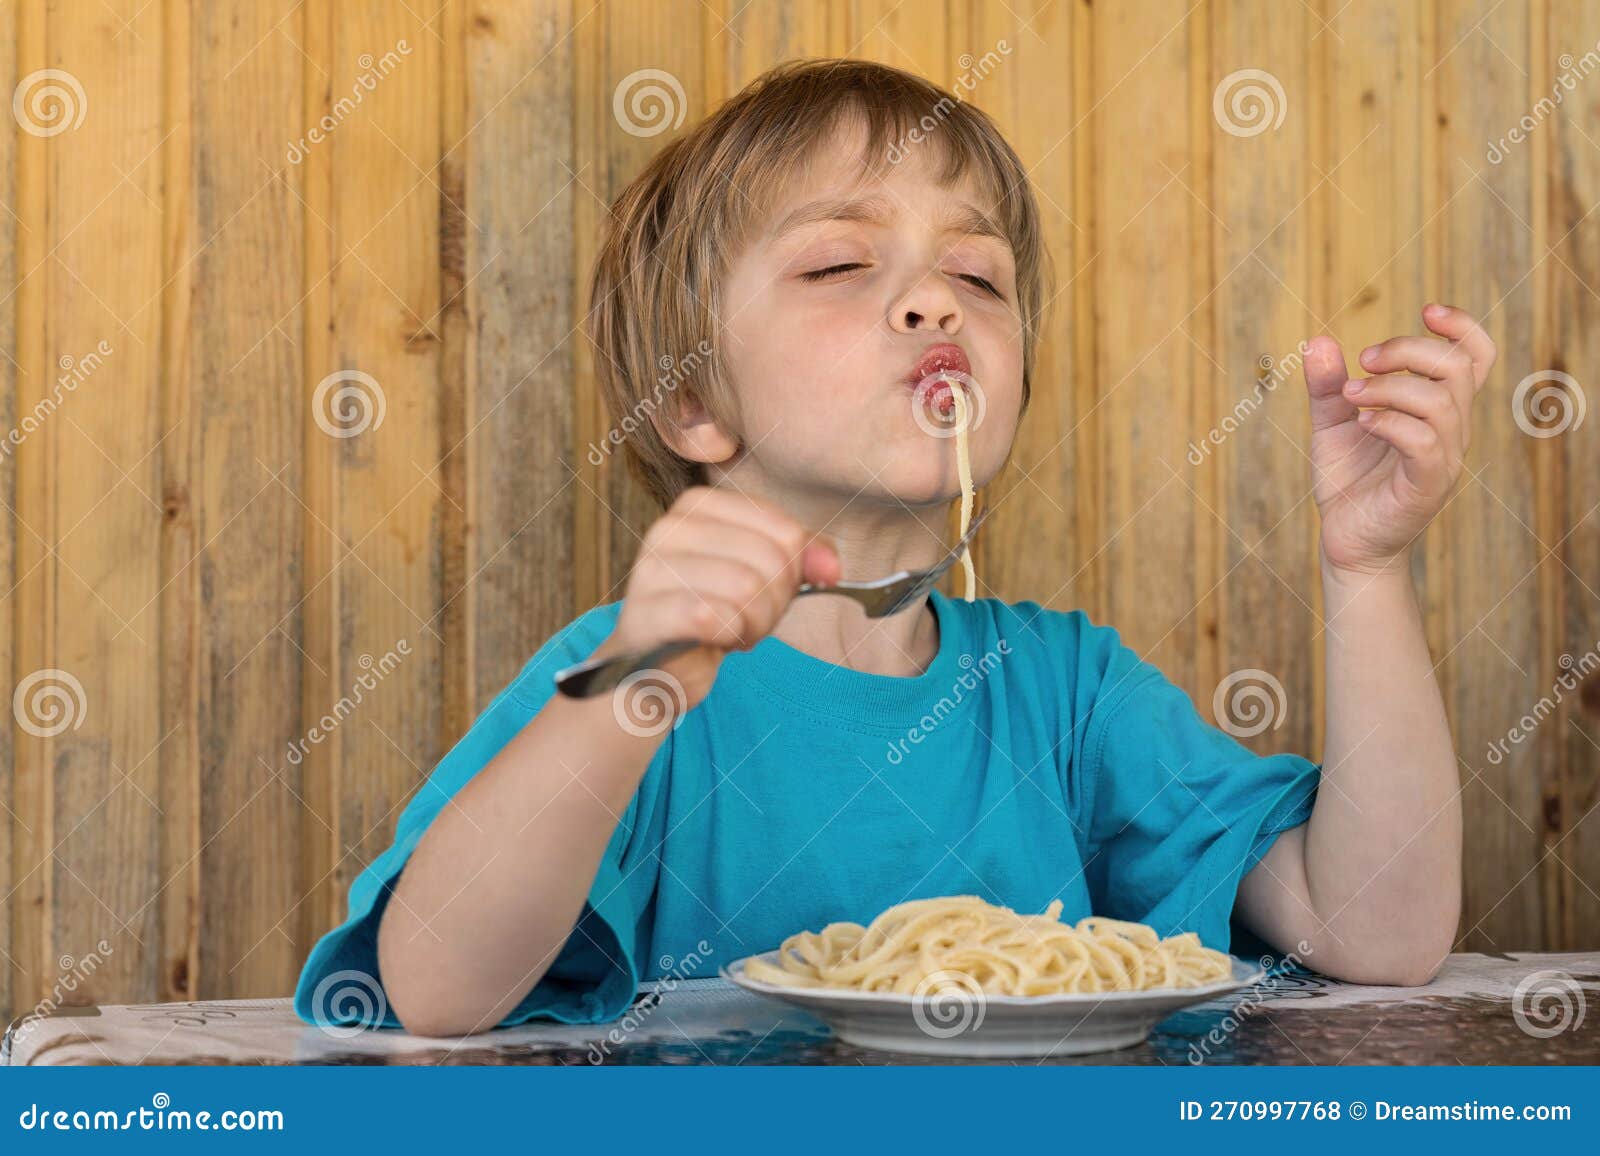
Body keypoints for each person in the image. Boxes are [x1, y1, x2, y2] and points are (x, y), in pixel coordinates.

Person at [296, 59, 1485, 1037]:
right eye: (838, 264)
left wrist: (1366, 569)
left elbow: (1376, 930)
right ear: (691, 401)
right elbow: (435, 988)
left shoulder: (1066, 693)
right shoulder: (632, 677)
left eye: (976, 273)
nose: (934, 302)